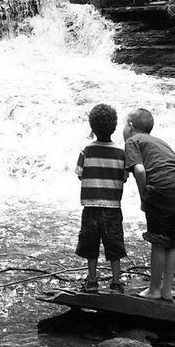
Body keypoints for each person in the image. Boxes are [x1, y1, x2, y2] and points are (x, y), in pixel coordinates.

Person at [123, 108, 175, 300]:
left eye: (123, 124)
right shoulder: (160, 142)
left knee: (157, 241)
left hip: (161, 191)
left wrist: (144, 196)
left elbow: (139, 171)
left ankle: (154, 289)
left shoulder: (132, 141)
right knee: (170, 241)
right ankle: (167, 291)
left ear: (130, 126)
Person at [74, 103, 127, 293]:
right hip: (112, 207)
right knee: (114, 245)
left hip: (90, 206)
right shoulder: (121, 153)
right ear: (114, 127)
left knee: (90, 245)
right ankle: (116, 282)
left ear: (92, 127)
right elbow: (124, 177)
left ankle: (92, 280)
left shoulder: (86, 151)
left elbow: (80, 174)